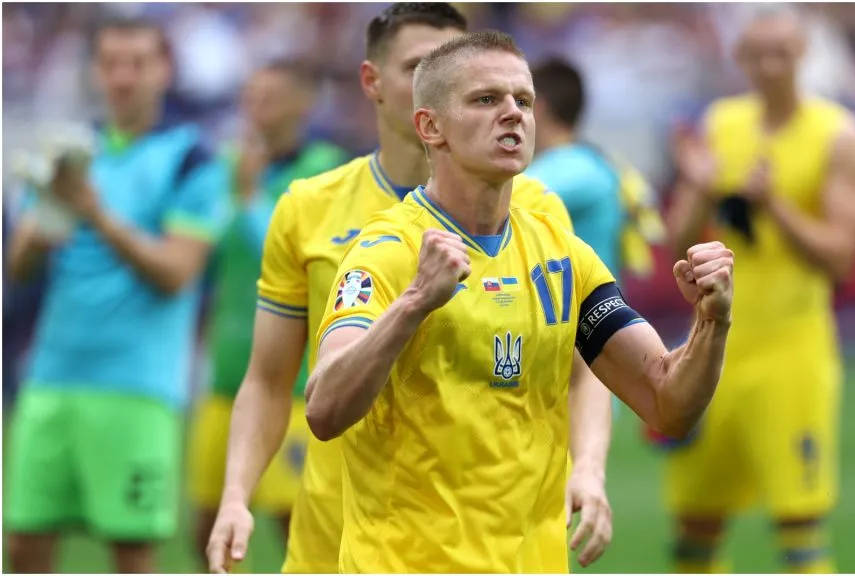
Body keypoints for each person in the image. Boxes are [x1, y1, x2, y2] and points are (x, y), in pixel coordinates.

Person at [305, 30, 734, 573]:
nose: (512, 113)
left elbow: (667, 401)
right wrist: (413, 303)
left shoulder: (561, 254)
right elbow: (324, 409)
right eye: (486, 99)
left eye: (524, 100)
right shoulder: (387, 251)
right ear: (430, 127)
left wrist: (711, 323)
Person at [205, 4, 613, 574]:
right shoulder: (309, 208)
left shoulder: (536, 210)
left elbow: (582, 364)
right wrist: (235, 497)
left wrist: (588, 466)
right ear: (372, 81)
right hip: (339, 543)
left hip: (491, 547)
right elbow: (270, 380)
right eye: (419, 65)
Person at [4, 17, 231, 574]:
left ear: (164, 70)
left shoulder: (191, 159)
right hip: (52, 377)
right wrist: (47, 214)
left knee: (131, 554)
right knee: (23, 546)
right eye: (111, 64)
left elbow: (177, 273)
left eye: (137, 64)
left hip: (137, 386)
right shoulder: (72, 152)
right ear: (94, 72)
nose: (123, 77)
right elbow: (19, 268)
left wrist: (96, 214)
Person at [662, 6, 855, 574]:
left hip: (792, 350)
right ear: (740, 59)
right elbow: (678, 239)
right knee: (695, 523)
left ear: (803, 54)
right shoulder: (721, 124)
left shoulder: (839, 135)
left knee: (798, 523)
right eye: (757, 55)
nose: (769, 67)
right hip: (714, 348)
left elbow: (843, 257)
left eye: (781, 54)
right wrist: (703, 190)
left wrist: (776, 204)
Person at [187, 59, 347, 566]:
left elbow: (285, 252)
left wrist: (250, 198)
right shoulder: (229, 166)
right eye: (251, 98)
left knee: (296, 527)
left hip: (292, 384)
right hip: (227, 376)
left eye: (271, 98)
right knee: (207, 526)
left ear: (304, 103)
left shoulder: (327, 170)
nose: (257, 109)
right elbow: (205, 251)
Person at [528, 57, 665, 282]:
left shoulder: (573, 169)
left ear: (538, 107)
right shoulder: (592, 161)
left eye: (520, 101)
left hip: (583, 303)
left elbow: (498, 203)